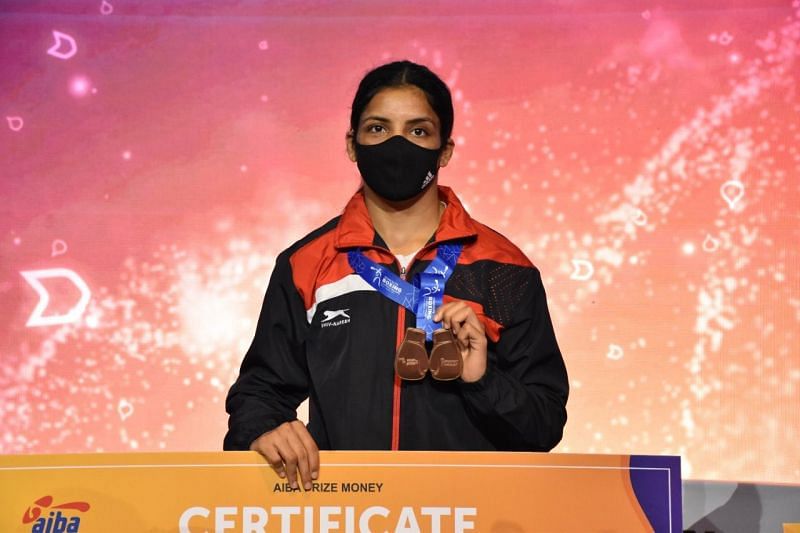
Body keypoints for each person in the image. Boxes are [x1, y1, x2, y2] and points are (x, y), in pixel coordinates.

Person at [224, 60, 568, 491]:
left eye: (418, 131)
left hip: (466, 514)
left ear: (445, 151)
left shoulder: (504, 269)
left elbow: (544, 426)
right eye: (378, 129)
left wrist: (482, 382)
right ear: (352, 144)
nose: (396, 144)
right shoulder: (306, 263)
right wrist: (265, 427)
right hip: (349, 512)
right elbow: (259, 391)